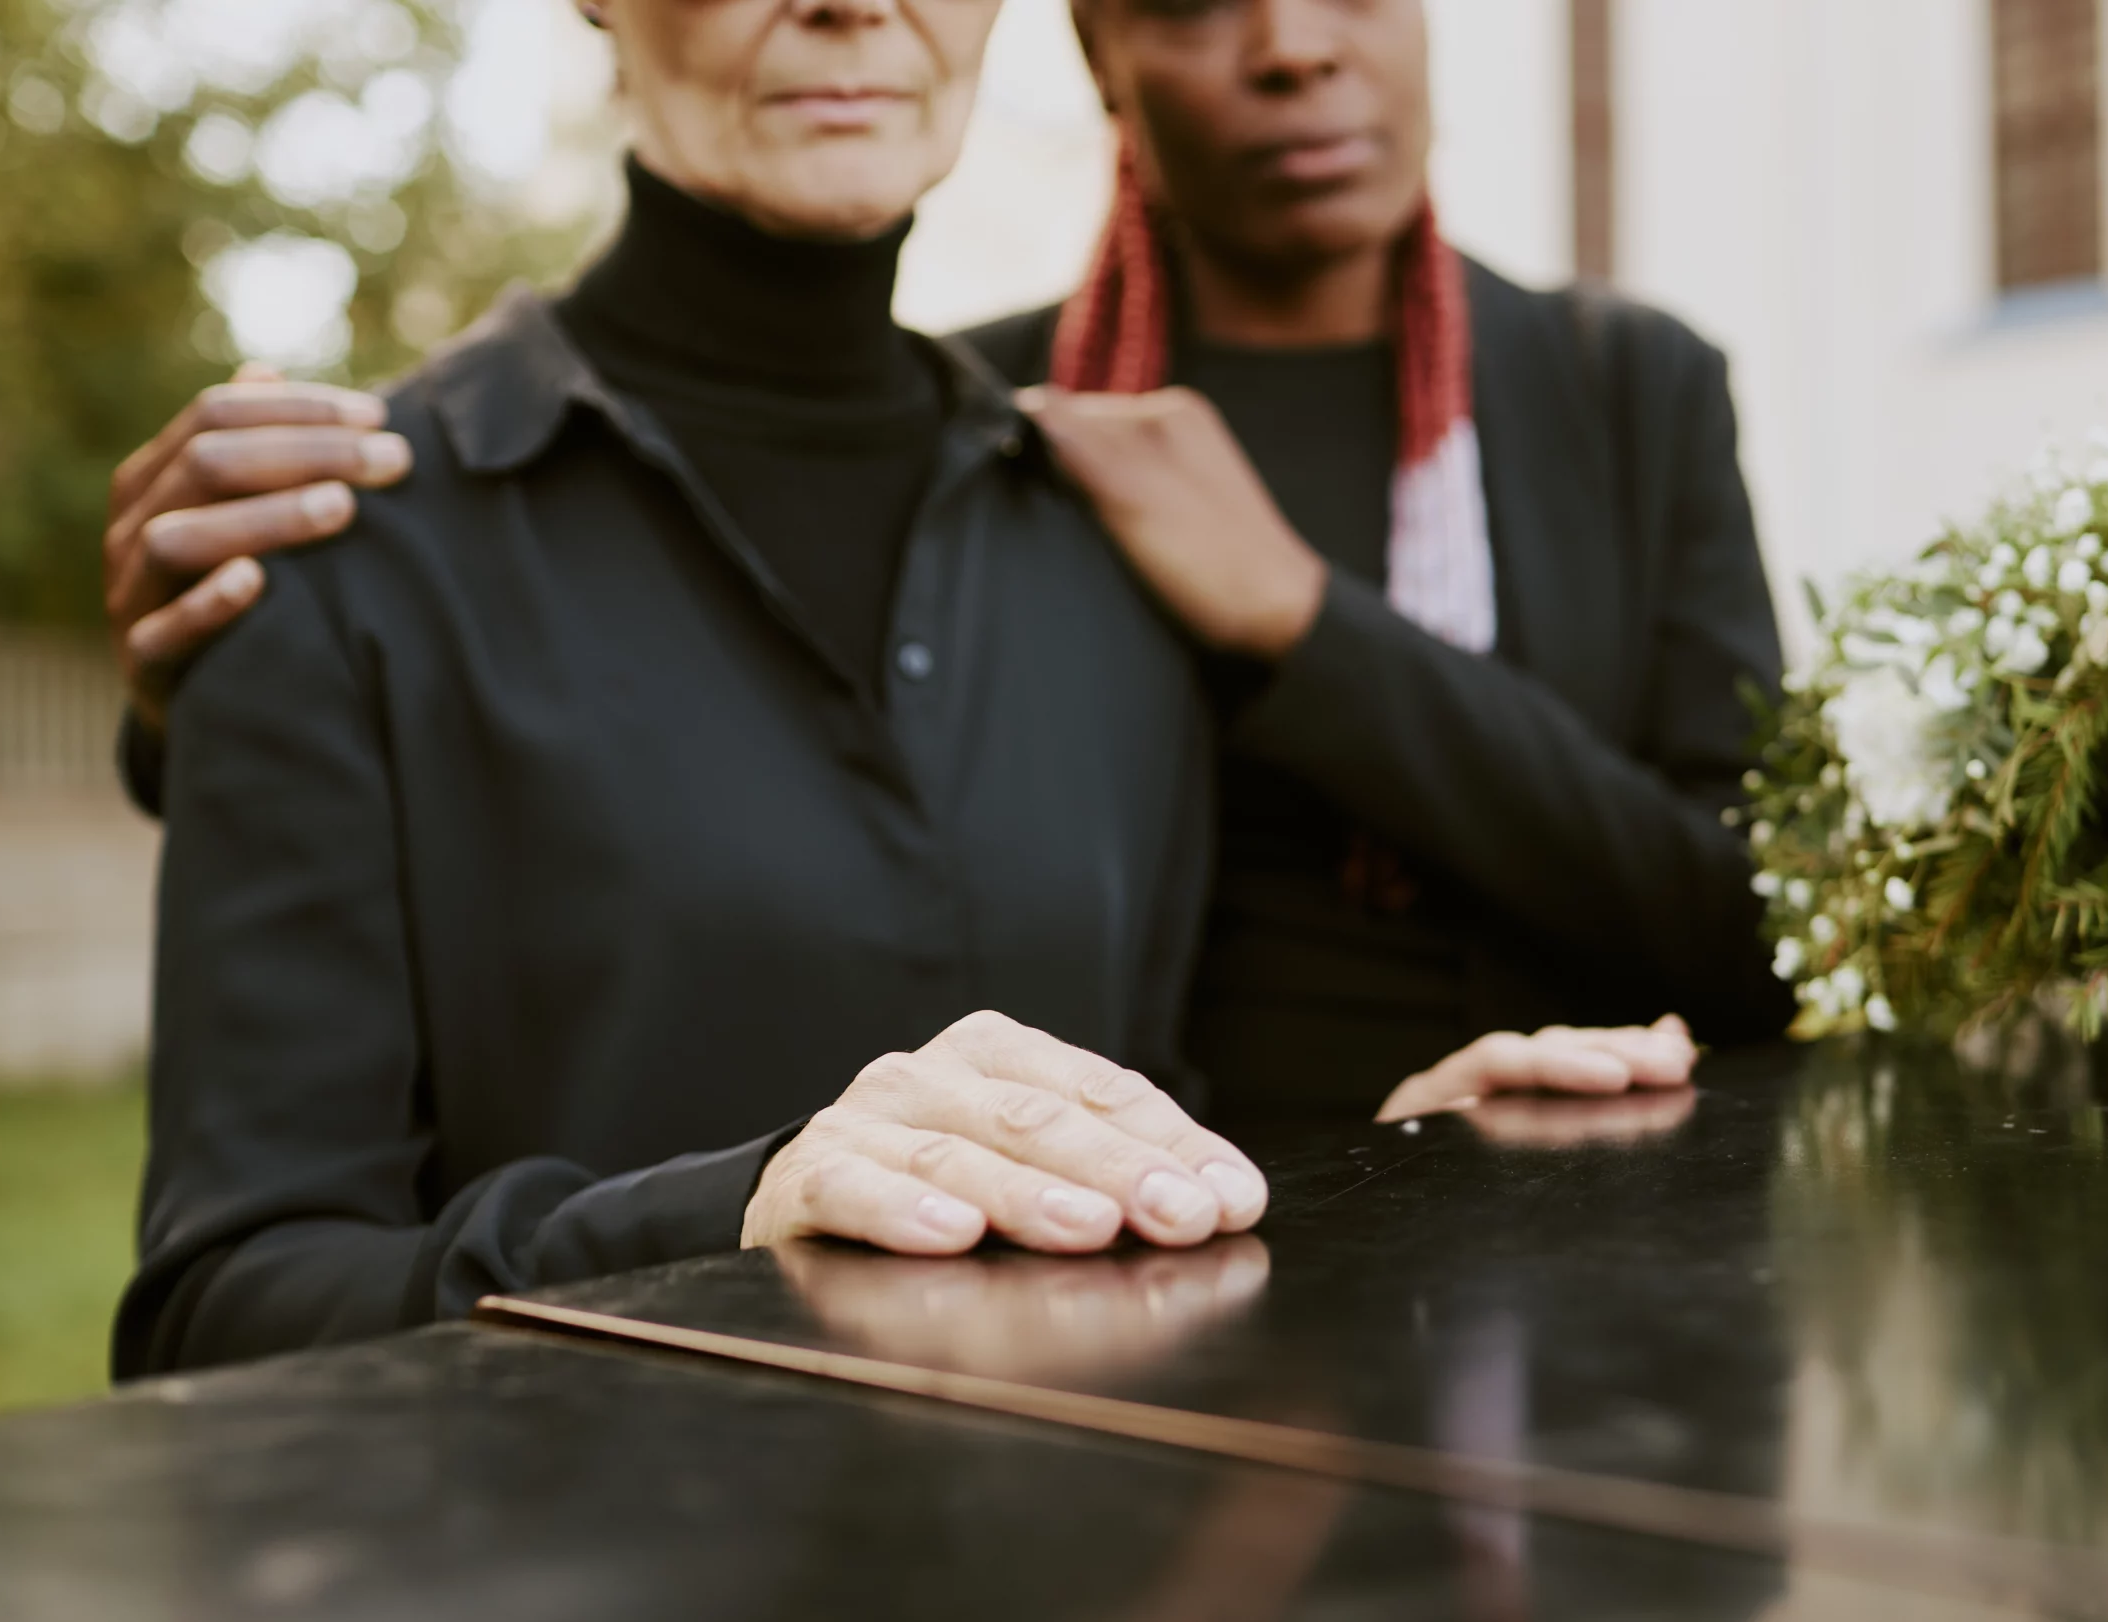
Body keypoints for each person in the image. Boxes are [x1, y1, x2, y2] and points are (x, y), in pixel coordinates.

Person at [107, 3, 1776, 1145]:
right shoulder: (1036, 443)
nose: (1293, 52)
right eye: (1195, 0)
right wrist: (254, 691)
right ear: (1097, 55)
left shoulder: (1612, 395)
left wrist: (1302, 625)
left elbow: (1750, 925)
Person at [115, 0, 1294, 1379]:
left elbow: (1182, 1154)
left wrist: (1441, 1144)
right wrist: (727, 1222)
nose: (850, 6)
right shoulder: (330, 554)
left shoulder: (1109, 545)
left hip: (1073, 1572)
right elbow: (219, 1317)